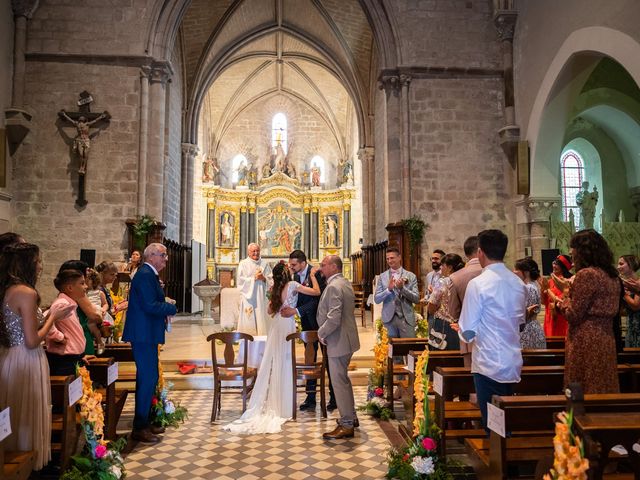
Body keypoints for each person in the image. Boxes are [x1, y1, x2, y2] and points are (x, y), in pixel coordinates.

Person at [0, 243, 75, 470]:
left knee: (14, 409)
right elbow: (33, 340)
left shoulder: (7, 289)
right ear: (26, 264)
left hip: (8, 356)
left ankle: (12, 462)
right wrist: (53, 316)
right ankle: (27, 465)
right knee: (28, 411)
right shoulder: (26, 292)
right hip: (27, 357)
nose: (40, 266)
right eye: (38, 261)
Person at [224, 262, 321, 434]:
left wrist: (279, 303)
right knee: (285, 362)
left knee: (276, 361)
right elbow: (316, 292)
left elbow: (269, 311)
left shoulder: (274, 288)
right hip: (287, 324)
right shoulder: (292, 285)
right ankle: (284, 406)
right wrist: (313, 277)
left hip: (276, 325)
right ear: (285, 274)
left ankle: (277, 403)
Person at [458, 230, 526, 430]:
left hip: (488, 363)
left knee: (494, 425)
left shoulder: (478, 284)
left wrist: (461, 330)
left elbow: (467, 329)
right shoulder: (518, 283)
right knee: (507, 419)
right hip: (513, 361)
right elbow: (520, 322)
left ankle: (500, 461)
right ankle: (510, 457)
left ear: (480, 252)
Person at [122, 243, 177, 443]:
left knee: (149, 378)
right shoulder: (145, 274)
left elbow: (150, 300)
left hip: (146, 334)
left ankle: (146, 420)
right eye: (163, 255)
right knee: (147, 378)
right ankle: (140, 426)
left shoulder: (147, 274)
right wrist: (171, 308)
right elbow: (149, 305)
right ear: (152, 255)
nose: (166, 259)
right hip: (143, 335)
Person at [557, 229, 621, 393]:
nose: (572, 258)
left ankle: (579, 419)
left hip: (585, 339)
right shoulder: (612, 275)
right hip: (605, 337)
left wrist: (563, 300)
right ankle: (604, 418)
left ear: (583, 252)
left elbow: (573, 314)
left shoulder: (587, 274)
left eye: (573, 253)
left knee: (582, 387)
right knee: (603, 384)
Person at [281, 250, 335, 412]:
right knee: (309, 360)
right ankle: (310, 397)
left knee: (328, 360)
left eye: (294, 264)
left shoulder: (317, 274)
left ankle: (334, 398)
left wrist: (296, 311)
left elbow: (318, 299)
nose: (291, 267)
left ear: (303, 263)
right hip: (307, 325)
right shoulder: (296, 277)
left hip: (322, 324)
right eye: (290, 264)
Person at [317, 255, 360, 440]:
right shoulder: (344, 282)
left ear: (334, 267)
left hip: (338, 340)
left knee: (338, 382)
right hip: (346, 339)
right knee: (343, 380)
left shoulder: (334, 286)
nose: (320, 268)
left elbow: (334, 317)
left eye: (324, 265)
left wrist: (322, 332)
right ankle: (352, 416)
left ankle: (347, 424)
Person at [45, 270, 90, 375]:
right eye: (82, 283)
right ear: (70, 288)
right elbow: (46, 319)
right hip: (64, 360)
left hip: (73, 358)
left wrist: (79, 355)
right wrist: (59, 337)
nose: (86, 286)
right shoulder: (62, 303)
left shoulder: (69, 303)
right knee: (67, 390)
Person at [448, 236, 482, 367]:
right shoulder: (498, 273)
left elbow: (453, 313)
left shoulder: (456, 277)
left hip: (468, 336)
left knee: (471, 380)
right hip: (496, 338)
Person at [58, 260, 104, 354]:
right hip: (80, 335)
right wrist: (100, 314)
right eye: (86, 271)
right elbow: (94, 316)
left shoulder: (64, 293)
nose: (88, 274)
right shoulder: (78, 294)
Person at [374, 247, 420, 339]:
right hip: (389, 319)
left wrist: (402, 289)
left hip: (406, 319)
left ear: (399, 257)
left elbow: (416, 299)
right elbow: (377, 299)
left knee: (408, 349)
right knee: (391, 351)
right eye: (387, 259)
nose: (389, 261)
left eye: (392, 258)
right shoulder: (383, 277)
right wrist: (388, 290)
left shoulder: (411, 276)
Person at [425, 253, 465, 350]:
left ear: (450, 267)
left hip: (443, 325)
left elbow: (432, 305)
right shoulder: (464, 280)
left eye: (443, 265)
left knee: (441, 356)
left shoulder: (443, 281)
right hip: (461, 324)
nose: (441, 267)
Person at [236, 244, 273, 335]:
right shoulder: (243, 264)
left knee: (261, 318)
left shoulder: (264, 264)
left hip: (261, 297)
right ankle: (248, 342)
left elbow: (271, 280)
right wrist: (254, 278)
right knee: (249, 320)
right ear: (248, 252)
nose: (256, 253)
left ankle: (262, 341)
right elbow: (240, 281)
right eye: (253, 251)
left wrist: (263, 278)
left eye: (257, 251)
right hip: (249, 297)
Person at [58, 109, 110, 174]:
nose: (81, 118)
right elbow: (70, 120)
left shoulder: (87, 124)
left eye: (82, 118)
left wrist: (101, 117)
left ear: (84, 119)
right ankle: (80, 168)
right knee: (81, 154)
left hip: (86, 140)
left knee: (85, 155)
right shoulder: (77, 124)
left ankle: (83, 167)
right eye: (80, 118)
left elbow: (95, 121)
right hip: (79, 140)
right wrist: (64, 115)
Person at [513, 257, 546, 349]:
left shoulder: (529, 288)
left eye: (516, 269)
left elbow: (527, 311)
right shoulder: (532, 285)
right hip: (531, 327)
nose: (513, 271)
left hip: (528, 329)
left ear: (526, 272)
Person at [541, 254, 572, 337]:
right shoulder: (549, 281)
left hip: (562, 320)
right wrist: (542, 289)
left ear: (564, 267)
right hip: (549, 318)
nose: (554, 266)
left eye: (557, 264)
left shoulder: (567, 282)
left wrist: (547, 290)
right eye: (554, 263)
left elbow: (561, 300)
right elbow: (543, 302)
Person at [618, 255, 640, 347]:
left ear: (630, 265)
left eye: (621, 264)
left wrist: (623, 293)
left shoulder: (638, 282)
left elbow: (636, 306)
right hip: (630, 325)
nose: (618, 267)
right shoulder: (624, 283)